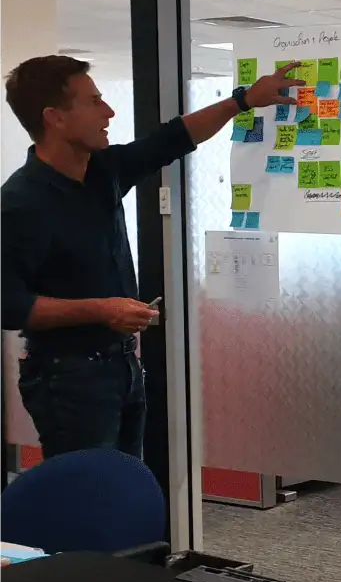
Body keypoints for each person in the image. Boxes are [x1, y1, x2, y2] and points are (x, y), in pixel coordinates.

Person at [0, 55, 302, 459]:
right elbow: (7, 304)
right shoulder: (21, 203)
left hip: (119, 368)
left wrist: (244, 100)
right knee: (91, 500)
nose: (109, 111)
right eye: (94, 102)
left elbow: (172, 139)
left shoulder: (101, 171)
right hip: (68, 377)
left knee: (124, 495)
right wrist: (101, 310)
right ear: (54, 117)